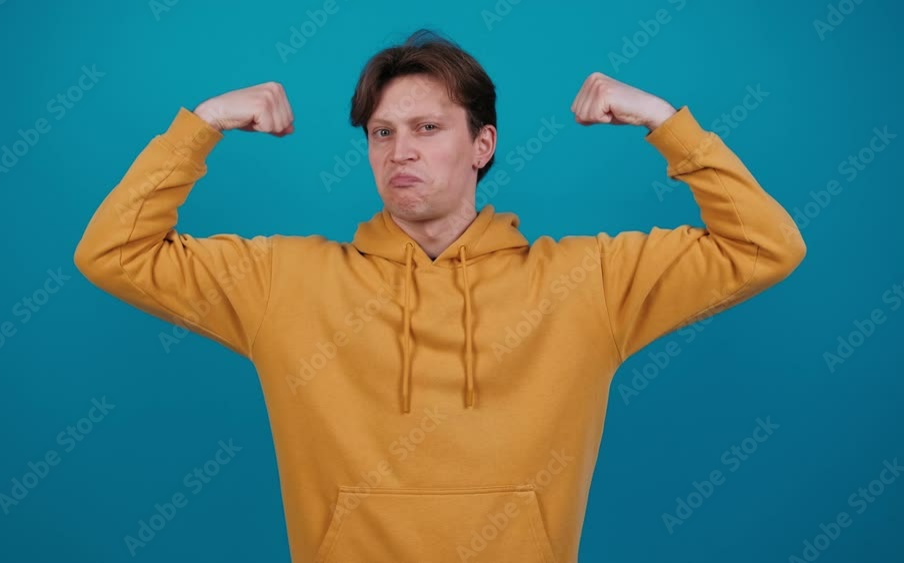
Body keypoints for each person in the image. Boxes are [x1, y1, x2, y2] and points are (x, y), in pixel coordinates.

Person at [74, 29, 805, 563]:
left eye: (428, 128)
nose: (401, 152)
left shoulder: (591, 283)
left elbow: (765, 246)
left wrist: (665, 123)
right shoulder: (283, 281)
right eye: (382, 133)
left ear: (481, 146)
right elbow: (114, 253)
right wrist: (201, 126)